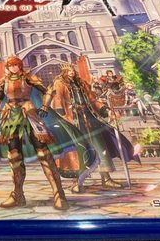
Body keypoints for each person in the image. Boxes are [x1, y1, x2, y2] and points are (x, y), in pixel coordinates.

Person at [0, 57, 89, 210]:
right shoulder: (4, 81)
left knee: (43, 152)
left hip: (29, 113)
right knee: (14, 156)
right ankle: (18, 195)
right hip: (10, 117)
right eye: (10, 65)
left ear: (20, 65)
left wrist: (44, 106)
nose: (13, 68)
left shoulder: (28, 77)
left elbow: (47, 91)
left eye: (16, 65)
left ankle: (58, 193)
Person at [50, 63, 138, 191]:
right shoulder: (59, 83)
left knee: (100, 147)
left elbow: (93, 100)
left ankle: (106, 178)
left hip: (90, 118)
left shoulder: (81, 83)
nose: (71, 72)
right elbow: (57, 99)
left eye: (72, 70)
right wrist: (61, 116)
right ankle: (77, 182)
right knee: (78, 151)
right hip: (73, 121)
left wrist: (107, 111)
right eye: (68, 70)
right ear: (64, 72)